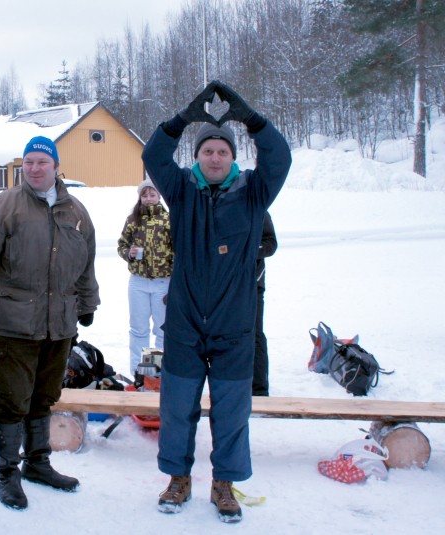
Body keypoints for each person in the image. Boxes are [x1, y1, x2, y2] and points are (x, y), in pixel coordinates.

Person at [141, 81, 291, 523]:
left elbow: (279, 158)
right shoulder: (182, 192)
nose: (214, 157)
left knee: (230, 412)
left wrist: (252, 120)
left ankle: (223, 484)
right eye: (207, 150)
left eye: (222, 151)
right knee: (176, 408)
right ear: (197, 156)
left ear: (232, 157)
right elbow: (154, 157)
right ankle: (178, 478)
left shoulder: (253, 193)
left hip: (234, 327)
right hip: (186, 324)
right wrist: (183, 120)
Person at [0, 136, 100, 511]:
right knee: (10, 401)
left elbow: (86, 264)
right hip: (14, 324)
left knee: (44, 397)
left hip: (60, 326)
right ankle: (7, 472)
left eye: (43, 161)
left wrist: (87, 304)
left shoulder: (77, 212)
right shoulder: (5, 207)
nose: (35, 168)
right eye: (29, 162)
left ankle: (38, 463)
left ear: (56, 166)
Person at [117, 178, 173, 376]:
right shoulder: (133, 219)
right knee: (138, 329)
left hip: (162, 283)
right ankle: (138, 373)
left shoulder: (169, 219)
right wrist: (128, 253)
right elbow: (121, 245)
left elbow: (179, 249)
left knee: (161, 330)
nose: (148, 199)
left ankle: (156, 373)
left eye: (152, 194)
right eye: (145, 195)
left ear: (159, 196)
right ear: (140, 197)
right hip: (138, 283)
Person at [254, 212, 277, 396]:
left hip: (253, 283)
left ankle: (259, 390)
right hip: (225, 285)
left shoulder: (258, 207)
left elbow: (271, 243)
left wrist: (249, 250)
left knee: (255, 334)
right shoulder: (223, 203)